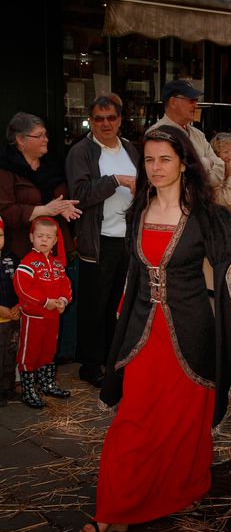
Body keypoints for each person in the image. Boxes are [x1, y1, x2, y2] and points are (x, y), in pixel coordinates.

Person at [79, 126, 231, 532]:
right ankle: (114, 507)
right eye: (149, 160)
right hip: (142, 333)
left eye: (165, 160)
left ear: (183, 164)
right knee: (132, 421)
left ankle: (183, 489)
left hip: (191, 335)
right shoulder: (138, 212)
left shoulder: (207, 217)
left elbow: (230, 274)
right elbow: (135, 280)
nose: (155, 169)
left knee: (184, 422)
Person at [65, 94, 139, 388]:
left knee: (117, 305)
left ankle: (112, 359)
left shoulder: (131, 149)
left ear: (120, 120)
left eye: (111, 118)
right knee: (95, 306)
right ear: (91, 121)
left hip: (127, 240)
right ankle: (90, 365)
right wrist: (115, 181)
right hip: (98, 241)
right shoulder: (81, 152)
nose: (105, 123)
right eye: (99, 118)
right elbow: (80, 194)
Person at [0, 112, 80, 259]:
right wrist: (45, 210)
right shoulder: (5, 170)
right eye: (39, 136)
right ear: (20, 140)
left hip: (56, 246)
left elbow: (60, 196)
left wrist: (63, 206)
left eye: (46, 135)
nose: (46, 140)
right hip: (22, 250)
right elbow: (6, 211)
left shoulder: (53, 164)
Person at [13, 217, 72, 408]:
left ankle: (46, 383)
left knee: (48, 350)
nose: (44, 240)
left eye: (48, 237)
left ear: (55, 241)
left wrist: (63, 300)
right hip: (34, 317)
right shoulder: (27, 263)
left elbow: (66, 285)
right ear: (31, 237)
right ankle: (28, 388)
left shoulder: (57, 265)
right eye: (40, 236)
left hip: (52, 317)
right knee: (29, 352)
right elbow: (22, 287)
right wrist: (44, 302)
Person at [146, 80, 225, 186]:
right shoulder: (156, 133)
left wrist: (198, 173)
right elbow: (175, 177)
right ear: (173, 102)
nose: (196, 106)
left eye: (196, 100)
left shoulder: (198, 134)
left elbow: (220, 168)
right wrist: (207, 163)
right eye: (191, 100)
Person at [0, 216, 20, 406]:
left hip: (12, 317)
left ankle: (8, 388)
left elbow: (20, 285)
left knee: (10, 354)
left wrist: (19, 305)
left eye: (0, 235)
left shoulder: (11, 258)